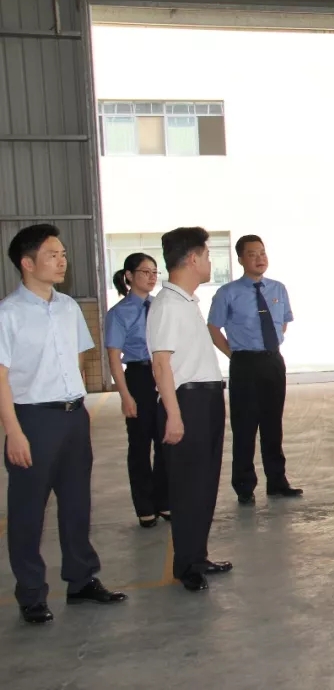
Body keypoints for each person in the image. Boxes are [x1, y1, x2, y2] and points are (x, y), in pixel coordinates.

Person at [0, 223, 126, 624]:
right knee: (28, 511)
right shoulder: (8, 314)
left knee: (76, 503)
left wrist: (77, 403)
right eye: (52, 255)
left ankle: (81, 580)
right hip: (33, 419)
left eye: (63, 254)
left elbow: (78, 358)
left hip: (73, 416)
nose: (61, 262)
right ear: (27, 263)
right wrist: (14, 432)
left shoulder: (69, 307)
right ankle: (31, 593)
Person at [147, 226, 233, 593]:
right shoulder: (167, 305)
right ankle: (185, 565)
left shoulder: (186, 302)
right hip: (186, 402)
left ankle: (197, 555)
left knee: (204, 484)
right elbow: (161, 364)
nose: (211, 262)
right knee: (187, 487)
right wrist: (174, 415)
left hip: (206, 399)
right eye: (208, 255)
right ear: (193, 259)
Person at [207, 235, 302, 504]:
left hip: (273, 362)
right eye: (252, 254)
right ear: (240, 259)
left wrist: (269, 345)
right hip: (244, 364)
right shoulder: (228, 293)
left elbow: (283, 322)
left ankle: (277, 481)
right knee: (245, 426)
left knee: (273, 424)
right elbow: (213, 328)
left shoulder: (278, 289)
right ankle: (244, 486)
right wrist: (234, 354)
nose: (260, 258)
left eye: (262, 253)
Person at [105, 252, 170, 528]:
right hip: (139, 376)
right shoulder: (119, 313)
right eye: (145, 272)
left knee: (166, 439)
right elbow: (114, 358)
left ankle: (164, 500)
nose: (152, 277)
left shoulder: (161, 307)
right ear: (129, 276)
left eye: (155, 272)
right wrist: (125, 396)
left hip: (163, 373)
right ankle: (145, 506)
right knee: (141, 443)